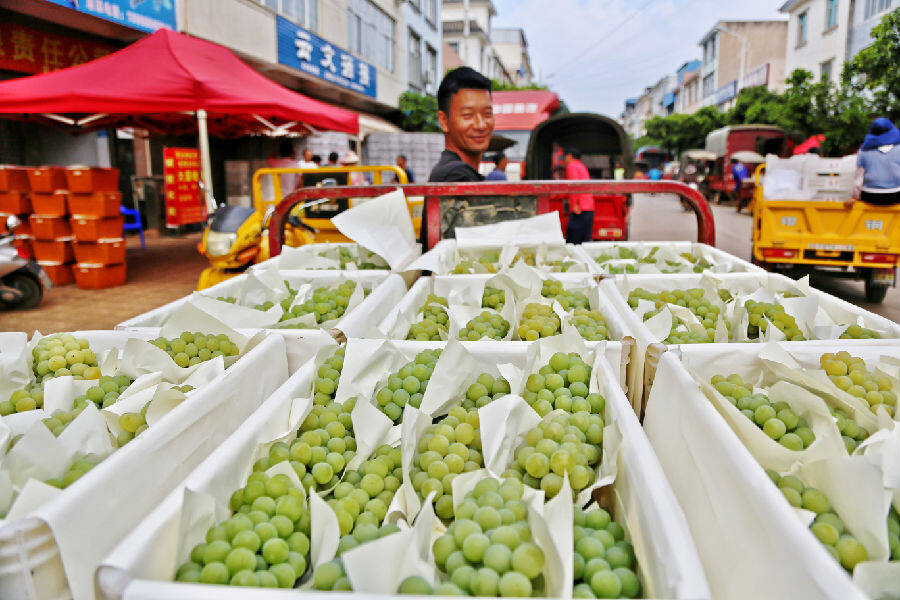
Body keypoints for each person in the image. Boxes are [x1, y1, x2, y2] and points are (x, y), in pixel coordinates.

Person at [428, 67, 494, 182]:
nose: (481, 125)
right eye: (468, 115)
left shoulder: (456, 172)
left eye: (487, 114)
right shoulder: (455, 176)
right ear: (443, 121)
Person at [563, 147, 594, 244]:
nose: (564, 159)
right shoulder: (581, 166)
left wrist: (575, 204)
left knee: (573, 241)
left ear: (569, 156)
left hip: (580, 208)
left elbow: (574, 186)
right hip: (588, 206)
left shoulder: (571, 166)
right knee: (585, 239)